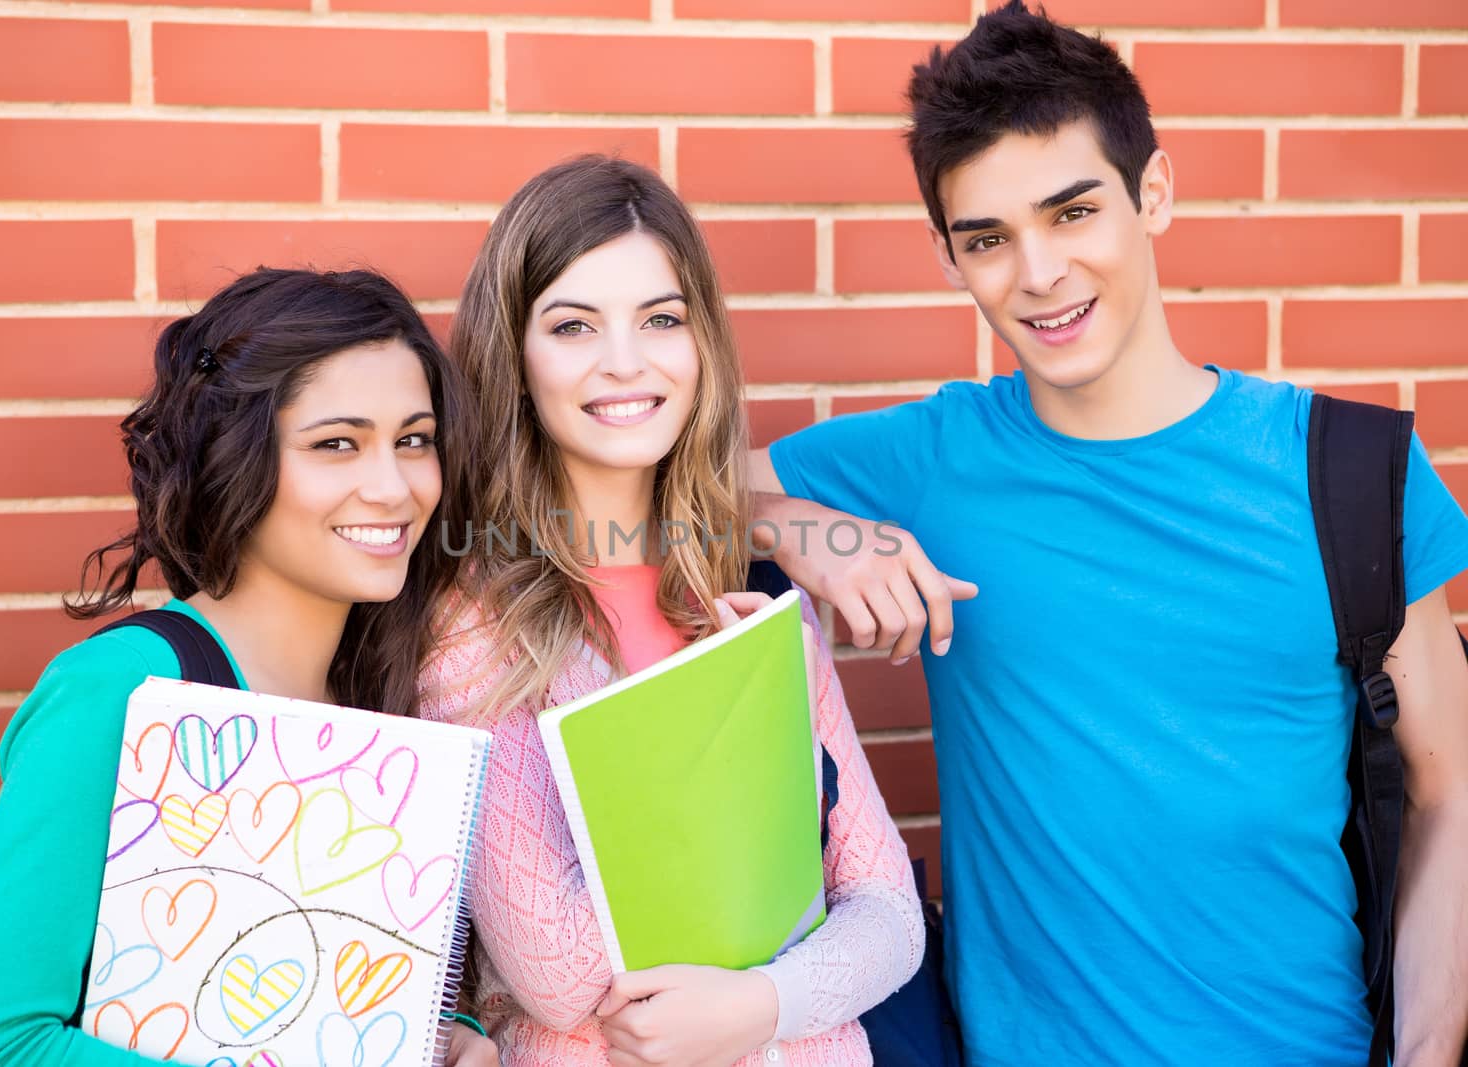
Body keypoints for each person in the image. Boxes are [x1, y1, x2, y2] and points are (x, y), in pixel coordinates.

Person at [748, 4, 1468, 1065]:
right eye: (986, 239)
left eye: (1071, 212)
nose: (1035, 272)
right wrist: (795, 524)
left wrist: (1426, 1050)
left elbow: (1449, 785)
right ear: (950, 259)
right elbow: (655, 491)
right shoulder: (933, 457)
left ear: (1153, 193)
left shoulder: (1351, 472)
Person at [0, 268, 498, 1066]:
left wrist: (450, 1038)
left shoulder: (383, 700)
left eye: (413, 439)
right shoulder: (123, 690)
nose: (393, 486)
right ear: (236, 458)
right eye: (336, 444)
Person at [416, 155, 924, 1066]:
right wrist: (728, 725)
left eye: (661, 319)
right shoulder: (474, 625)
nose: (626, 361)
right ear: (515, 358)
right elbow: (562, 973)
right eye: (574, 325)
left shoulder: (750, 603)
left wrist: (766, 1002)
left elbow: (889, 915)